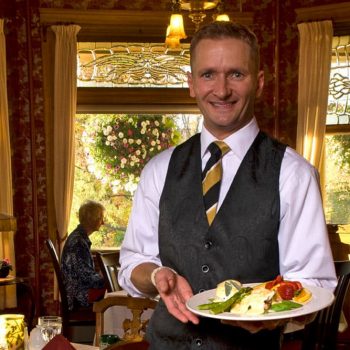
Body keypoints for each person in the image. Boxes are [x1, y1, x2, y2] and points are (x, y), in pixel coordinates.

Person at [118, 21, 337, 349]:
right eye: (208, 75)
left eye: (236, 74)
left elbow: (314, 283)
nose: (221, 90)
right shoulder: (159, 170)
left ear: (259, 83)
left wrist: (271, 315)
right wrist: (154, 276)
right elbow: (133, 261)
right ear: (191, 84)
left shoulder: (293, 173)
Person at [61, 200, 106, 310]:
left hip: (78, 291)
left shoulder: (79, 238)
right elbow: (86, 277)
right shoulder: (78, 242)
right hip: (78, 296)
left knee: (115, 291)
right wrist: (108, 280)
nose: (103, 222)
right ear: (92, 219)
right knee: (116, 295)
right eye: (101, 218)